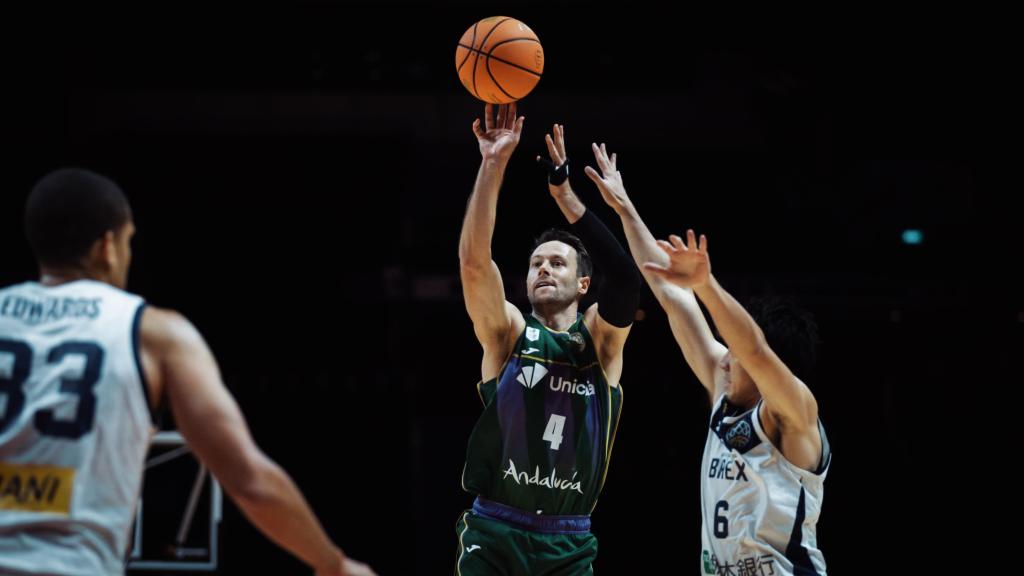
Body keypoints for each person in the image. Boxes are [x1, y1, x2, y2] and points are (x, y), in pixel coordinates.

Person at [0, 168, 375, 576]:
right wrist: (332, 564)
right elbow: (249, 479)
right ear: (108, 246)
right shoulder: (152, 333)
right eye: (129, 242)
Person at [584, 145, 830, 575]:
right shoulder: (724, 386)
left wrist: (707, 284)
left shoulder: (794, 412)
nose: (725, 351)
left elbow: (753, 348)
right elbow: (670, 295)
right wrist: (624, 208)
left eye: (733, 346)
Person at [455, 104, 641, 575]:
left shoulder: (599, 343)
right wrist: (492, 164)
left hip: (569, 539)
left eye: (557, 263)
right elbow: (476, 265)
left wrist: (567, 198)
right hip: (495, 530)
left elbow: (623, 278)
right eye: (537, 262)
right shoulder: (510, 334)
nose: (542, 268)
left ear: (583, 284)